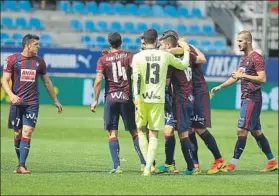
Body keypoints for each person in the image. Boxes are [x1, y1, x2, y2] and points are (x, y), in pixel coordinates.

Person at [211, 30, 278, 172]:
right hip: (246, 98)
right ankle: (272, 161)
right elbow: (236, 76)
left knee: (241, 130)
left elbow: (262, 79)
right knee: (256, 131)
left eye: (240, 41)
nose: (238, 44)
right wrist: (220, 86)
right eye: (238, 41)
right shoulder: (244, 58)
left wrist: (244, 75)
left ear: (248, 41)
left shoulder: (256, 58)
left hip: (252, 98)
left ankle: (232, 164)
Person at [1, 34, 63, 174]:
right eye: (35, 44)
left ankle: (22, 165)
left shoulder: (39, 62)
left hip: (32, 102)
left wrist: (55, 100)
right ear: (27, 45)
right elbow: (4, 80)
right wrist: (11, 95)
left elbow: (47, 82)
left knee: (27, 132)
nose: (38, 46)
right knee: (17, 133)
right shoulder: (12, 59)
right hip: (17, 102)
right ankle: (19, 164)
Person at [132, 28, 191, 176]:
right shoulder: (164, 55)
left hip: (142, 99)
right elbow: (183, 65)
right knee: (153, 134)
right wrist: (187, 51)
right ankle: (148, 169)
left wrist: (136, 97)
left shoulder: (137, 57)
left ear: (144, 42)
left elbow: (136, 79)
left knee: (140, 131)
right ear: (157, 40)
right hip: (158, 99)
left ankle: (148, 165)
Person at [91, 32, 146, 174]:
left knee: (112, 133)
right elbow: (138, 71)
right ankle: (144, 163)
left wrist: (95, 100)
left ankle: (117, 167)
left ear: (109, 43)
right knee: (135, 132)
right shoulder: (129, 56)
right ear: (121, 42)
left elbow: (98, 81)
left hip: (111, 98)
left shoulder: (103, 60)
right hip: (127, 98)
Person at [157, 31, 206, 175]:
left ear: (167, 45)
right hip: (184, 98)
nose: (160, 48)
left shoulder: (171, 59)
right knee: (168, 130)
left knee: (183, 134)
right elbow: (200, 59)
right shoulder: (187, 54)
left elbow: (165, 80)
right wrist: (185, 47)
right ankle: (169, 164)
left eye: (161, 46)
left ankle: (192, 167)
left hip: (181, 100)